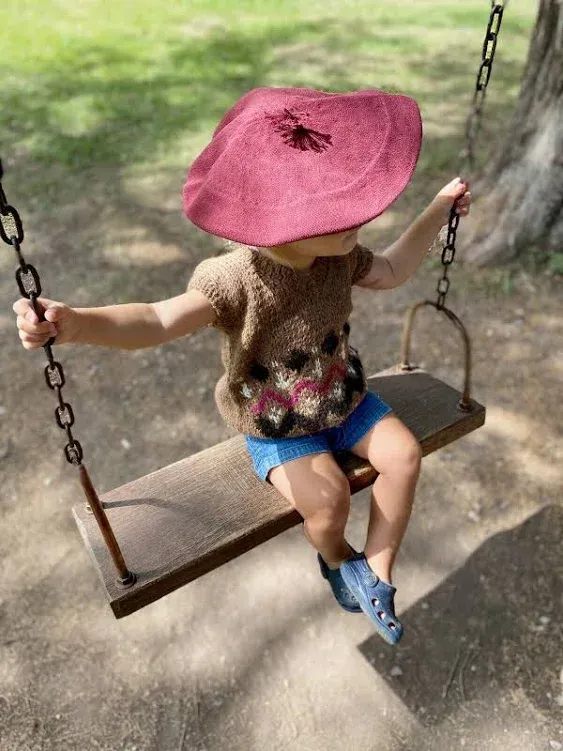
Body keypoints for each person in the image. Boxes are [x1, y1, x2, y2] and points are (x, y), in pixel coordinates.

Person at [12, 86, 471, 644]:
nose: (365, 215)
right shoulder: (232, 281)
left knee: (402, 454)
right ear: (287, 218)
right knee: (326, 504)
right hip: (276, 425)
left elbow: (395, 268)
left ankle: (376, 571)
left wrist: (438, 210)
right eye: (343, 207)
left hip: (343, 400)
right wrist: (77, 322)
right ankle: (336, 558)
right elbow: (157, 320)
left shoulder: (339, 255)